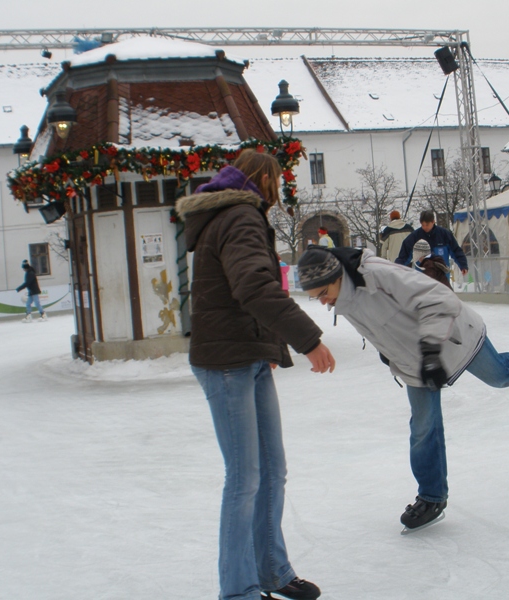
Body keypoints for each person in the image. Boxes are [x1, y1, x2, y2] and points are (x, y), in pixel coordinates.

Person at [297, 245, 509, 532]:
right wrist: (389, 354)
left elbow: (439, 299)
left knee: (500, 376)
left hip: (454, 337)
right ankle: (432, 497)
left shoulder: (376, 274)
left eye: (323, 293)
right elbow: (382, 325)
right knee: (423, 427)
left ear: (337, 275)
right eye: (316, 297)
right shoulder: (343, 297)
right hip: (415, 363)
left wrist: (432, 351)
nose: (323, 302)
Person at [175, 149, 335, 600]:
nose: (278, 190)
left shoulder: (234, 215)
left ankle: (271, 571)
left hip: (248, 354)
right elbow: (253, 287)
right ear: (263, 179)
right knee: (245, 478)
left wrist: (268, 345)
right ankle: (238, 590)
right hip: (226, 364)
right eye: (276, 181)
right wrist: (308, 339)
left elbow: (237, 291)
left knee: (271, 470)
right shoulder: (241, 216)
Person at [395, 210, 469, 278]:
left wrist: (463, 265)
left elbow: (456, 251)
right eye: (422, 225)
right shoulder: (414, 237)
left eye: (427, 224)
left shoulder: (444, 234)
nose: (425, 227)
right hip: (422, 277)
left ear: (433, 222)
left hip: (442, 277)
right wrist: (397, 268)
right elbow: (404, 256)